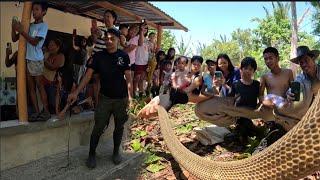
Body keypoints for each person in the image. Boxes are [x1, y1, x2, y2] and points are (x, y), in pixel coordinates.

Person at [67, 28, 133, 168]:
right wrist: (76, 92)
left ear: (117, 40)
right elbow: (88, 76)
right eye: (107, 39)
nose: (109, 41)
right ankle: (91, 154)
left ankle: (116, 152)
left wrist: (130, 96)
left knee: (119, 126)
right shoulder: (98, 57)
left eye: (112, 39)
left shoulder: (123, 56)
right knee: (98, 127)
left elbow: (128, 78)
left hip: (121, 99)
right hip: (104, 98)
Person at [11, 1, 49, 121]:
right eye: (33, 9)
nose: (34, 12)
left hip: (37, 61)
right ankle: (38, 112)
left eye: (37, 9)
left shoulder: (43, 26)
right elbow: (14, 38)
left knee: (39, 86)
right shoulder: (30, 25)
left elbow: (34, 42)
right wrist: (14, 27)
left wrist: (21, 30)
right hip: (27, 60)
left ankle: (46, 112)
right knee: (31, 88)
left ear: (44, 12)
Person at [279, 45, 320, 128]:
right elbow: (291, 90)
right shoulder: (300, 78)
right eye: (301, 62)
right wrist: (289, 94)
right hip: (310, 116)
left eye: (306, 60)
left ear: (313, 59)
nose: (304, 64)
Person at [225, 57, 263, 145]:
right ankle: (245, 134)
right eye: (245, 68)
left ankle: (241, 134)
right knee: (244, 123)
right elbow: (230, 101)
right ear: (241, 69)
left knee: (247, 125)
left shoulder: (257, 85)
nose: (247, 71)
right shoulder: (235, 84)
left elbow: (261, 100)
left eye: (250, 69)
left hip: (252, 114)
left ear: (254, 71)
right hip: (239, 115)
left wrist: (257, 111)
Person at [41, 39, 65, 116]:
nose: (50, 47)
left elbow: (53, 67)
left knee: (53, 104)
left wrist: (43, 59)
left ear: (58, 47)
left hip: (53, 84)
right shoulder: (47, 54)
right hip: (43, 82)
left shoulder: (60, 56)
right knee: (45, 103)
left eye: (52, 45)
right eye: (49, 45)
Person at [133, 22, 149, 98]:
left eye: (146, 28)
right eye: (142, 28)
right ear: (140, 29)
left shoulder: (147, 39)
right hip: (138, 61)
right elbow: (140, 44)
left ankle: (141, 93)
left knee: (142, 79)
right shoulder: (138, 37)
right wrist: (141, 32)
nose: (144, 29)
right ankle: (134, 93)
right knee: (136, 79)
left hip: (145, 62)